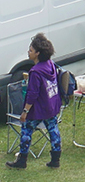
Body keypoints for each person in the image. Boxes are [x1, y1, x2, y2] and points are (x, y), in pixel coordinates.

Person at [7, 33, 62, 170]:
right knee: (53, 130)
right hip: (51, 106)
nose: (28, 52)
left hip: (38, 109)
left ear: (37, 53)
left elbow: (32, 94)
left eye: (31, 50)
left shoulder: (35, 72)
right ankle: (55, 159)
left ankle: (22, 160)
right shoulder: (50, 64)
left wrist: (25, 111)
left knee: (26, 131)